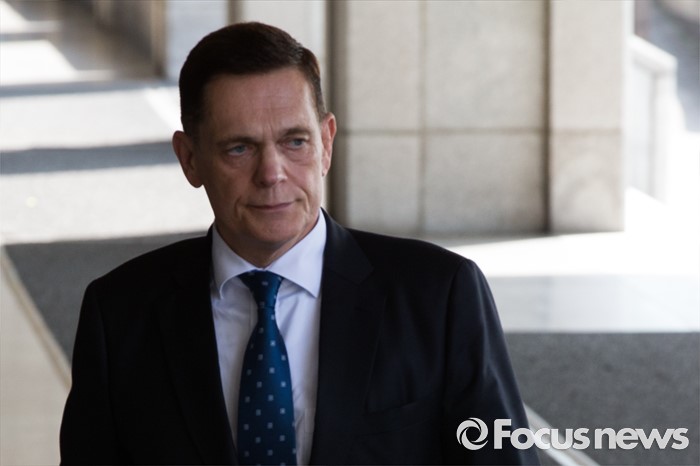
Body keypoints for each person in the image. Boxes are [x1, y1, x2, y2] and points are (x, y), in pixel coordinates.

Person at [60, 22, 539, 465]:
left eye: (295, 142)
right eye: (239, 148)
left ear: (326, 143)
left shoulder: (439, 295)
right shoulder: (119, 314)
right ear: (189, 159)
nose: (272, 174)